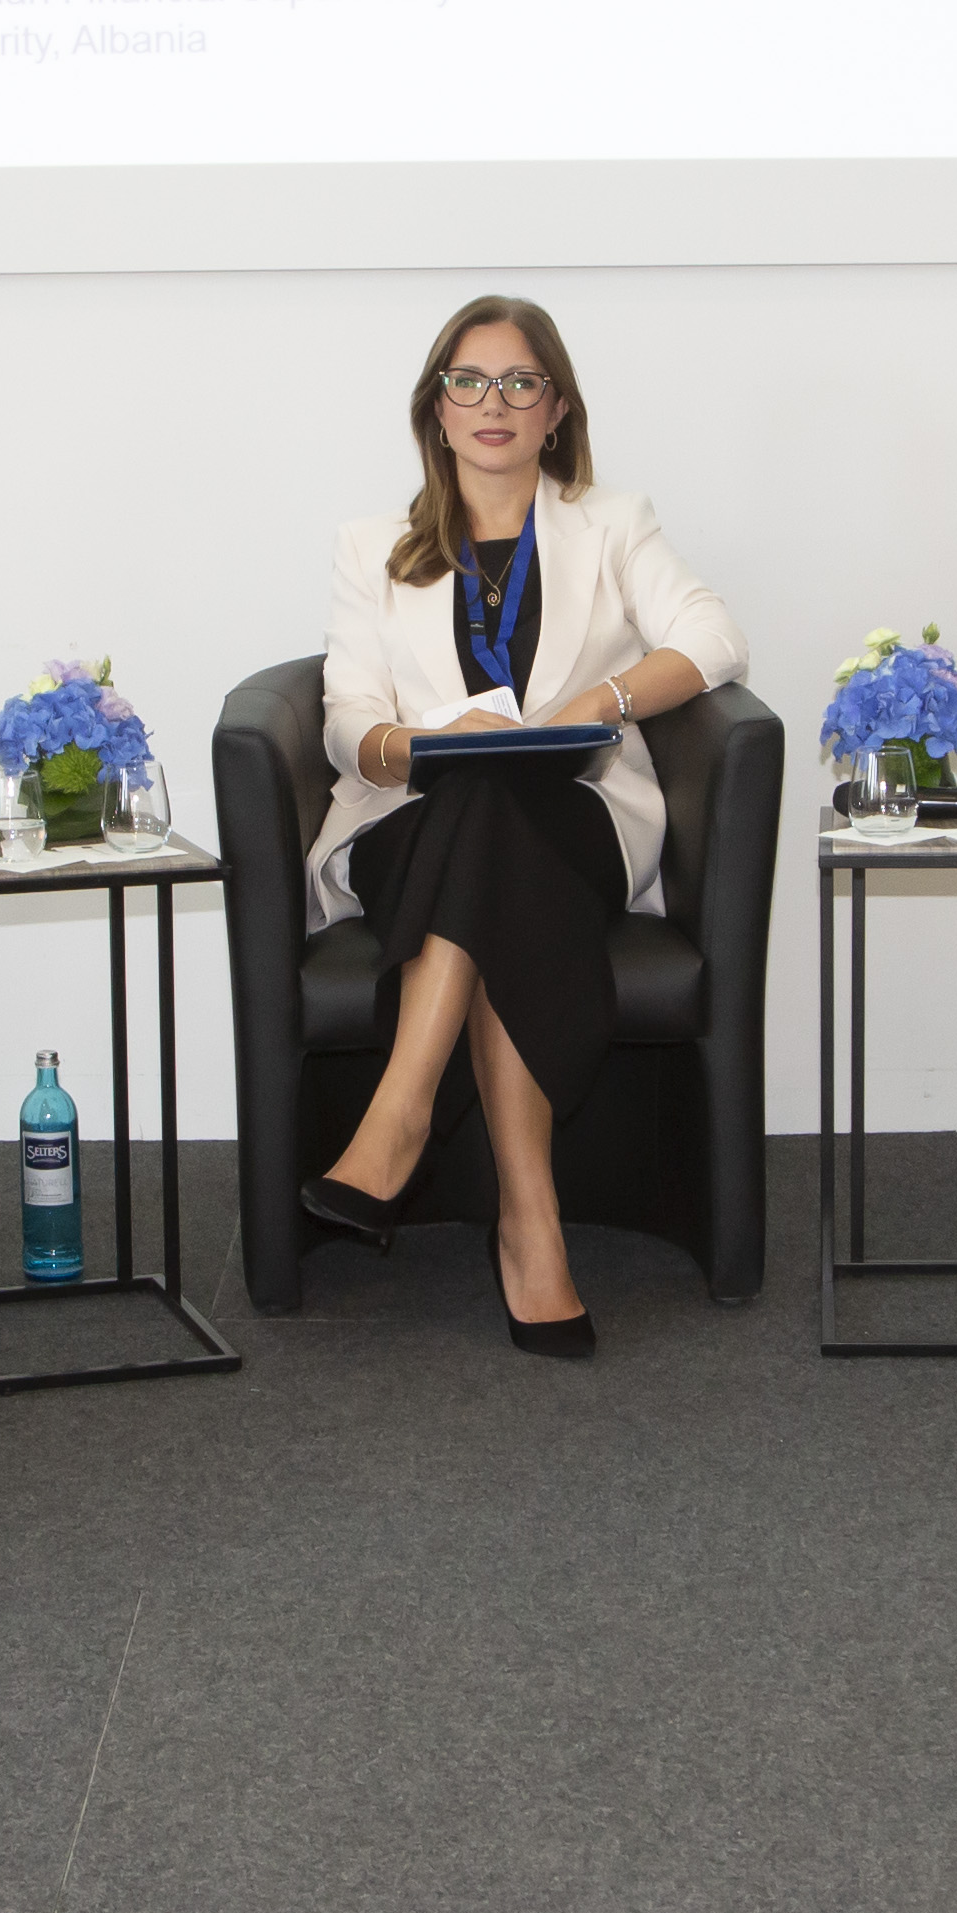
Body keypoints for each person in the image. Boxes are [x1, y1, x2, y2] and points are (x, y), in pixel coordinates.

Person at [299, 299, 750, 1354]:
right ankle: (531, 1224)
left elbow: (714, 637)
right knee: (479, 799)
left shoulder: (613, 523)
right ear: (437, 410)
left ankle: (401, 1114)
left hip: (578, 814)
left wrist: (602, 703)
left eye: (519, 382)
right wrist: (420, 745)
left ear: (556, 410)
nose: (491, 403)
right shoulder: (371, 548)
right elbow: (345, 718)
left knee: (504, 807)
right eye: (467, 381)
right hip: (418, 815)